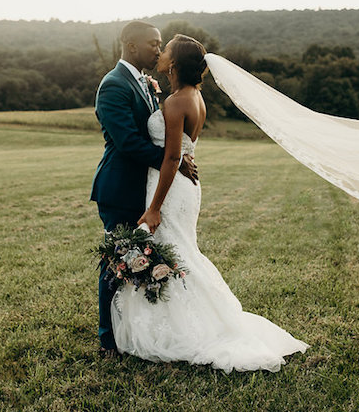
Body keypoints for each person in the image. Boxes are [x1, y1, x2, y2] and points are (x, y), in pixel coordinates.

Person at [110, 34, 309, 372]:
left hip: (169, 188)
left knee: (174, 250)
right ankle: (196, 319)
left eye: (166, 49)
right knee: (181, 250)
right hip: (186, 187)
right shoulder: (191, 97)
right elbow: (179, 148)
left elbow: (172, 157)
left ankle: (186, 328)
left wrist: (154, 207)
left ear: (173, 64)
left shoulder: (176, 102)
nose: (160, 52)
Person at [91, 21, 197, 358]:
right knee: (117, 262)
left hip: (148, 188)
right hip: (120, 187)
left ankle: (136, 331)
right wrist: (173, 160)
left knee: (142, 262)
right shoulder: (112, 86)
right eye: (153, 43)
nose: (158, 49)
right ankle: (108, 340)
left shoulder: (144, 83)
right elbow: (128, 143)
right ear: (131, 45)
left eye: (161, 44)